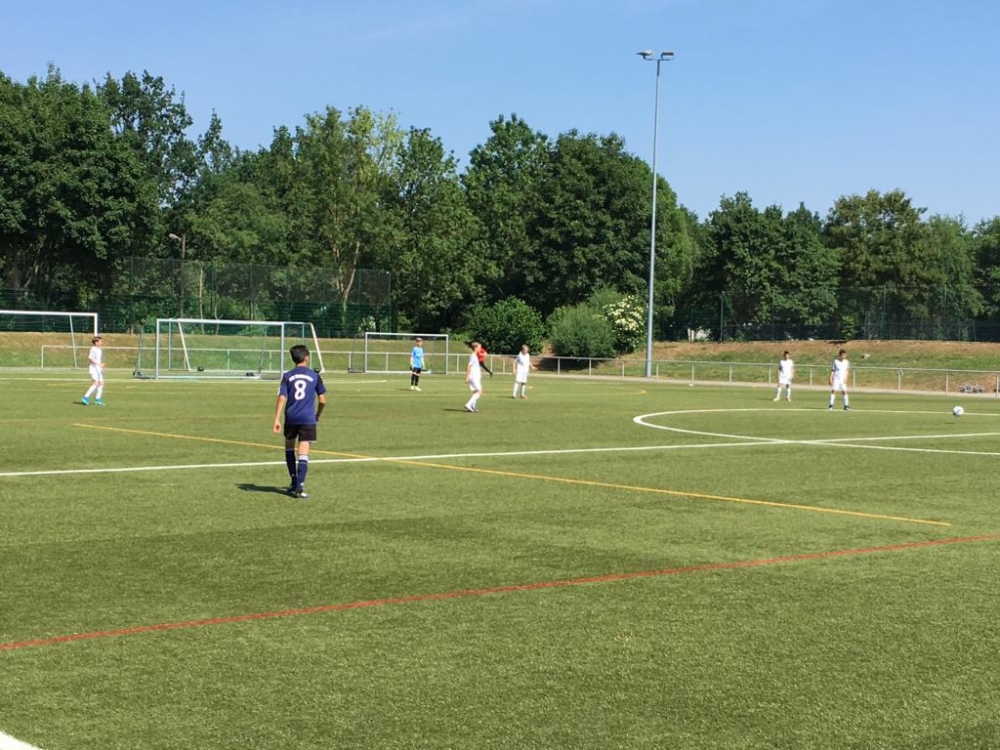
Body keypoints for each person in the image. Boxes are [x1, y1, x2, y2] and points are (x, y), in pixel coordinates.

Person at [273, 344, 326, 498]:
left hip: (291, 418)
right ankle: (299, 487)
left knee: (289, 448)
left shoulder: (287, 376)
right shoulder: (314, 376)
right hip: (308, 419)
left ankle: (293, 481)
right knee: (303, 452)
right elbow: (322, 400)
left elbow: (281, 397)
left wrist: (276, 419)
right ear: (306, 358)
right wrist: (317, 415)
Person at [81, 335, 105, 405]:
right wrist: (99, 364)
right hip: (93, 369)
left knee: (101, 383)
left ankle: (98, 399)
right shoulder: (93, 349)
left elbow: (98, 359)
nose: (101, 342)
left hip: (98, 369)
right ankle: (85, 397)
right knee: (96, 383)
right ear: (96, 342)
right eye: (100, 341)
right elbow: (91, 359)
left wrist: (101, 367)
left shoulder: (99, 350)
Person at [464, 341, 483, 412]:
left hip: (475, 376)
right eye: (479, 347)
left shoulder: (474, 356)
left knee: (476, 391)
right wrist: (467, 376)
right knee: (479, 391)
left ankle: (472, 406)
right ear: (475, 348)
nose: (480, 349)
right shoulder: (473, 356)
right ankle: (468, 404)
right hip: (474, 377)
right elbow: (469, 366)